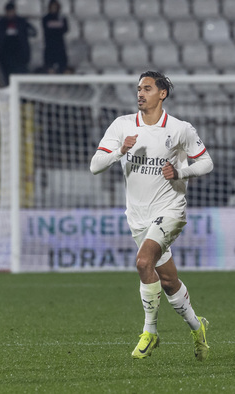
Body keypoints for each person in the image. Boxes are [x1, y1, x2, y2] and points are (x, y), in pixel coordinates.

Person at [90, 71, 213, 361]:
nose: (140, 93)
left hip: (170, 209)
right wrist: (120, 150)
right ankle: (197, 328)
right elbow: (96, 165)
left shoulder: (180, 129)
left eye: (147, 88)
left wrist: (181, 171)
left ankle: (150, 332)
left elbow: (206, 162)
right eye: (138, 89)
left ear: (162, 94)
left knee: (143, 261)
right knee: (168, 281)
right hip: (138, 216)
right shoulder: (122, 126)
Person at [0, 2, 37, 85]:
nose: (10, 14)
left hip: (20, 54)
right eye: (8, 12)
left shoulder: (21, 22)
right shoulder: (1, 22)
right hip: (5, 54)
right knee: (7, 76)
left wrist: (23, 33)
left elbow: (34, 32)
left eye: (11, 11)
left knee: (20, 75)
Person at [42, 0, 68, 74]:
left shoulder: (62, 18)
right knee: (49, 68)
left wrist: (55, 28)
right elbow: (47, 30)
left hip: (60, 46)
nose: (54, 8)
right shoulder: (45, 18)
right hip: (49, 46)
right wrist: (58, 27)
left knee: (63, 67)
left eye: (55, 7)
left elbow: (65, 29)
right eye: (52, 7)